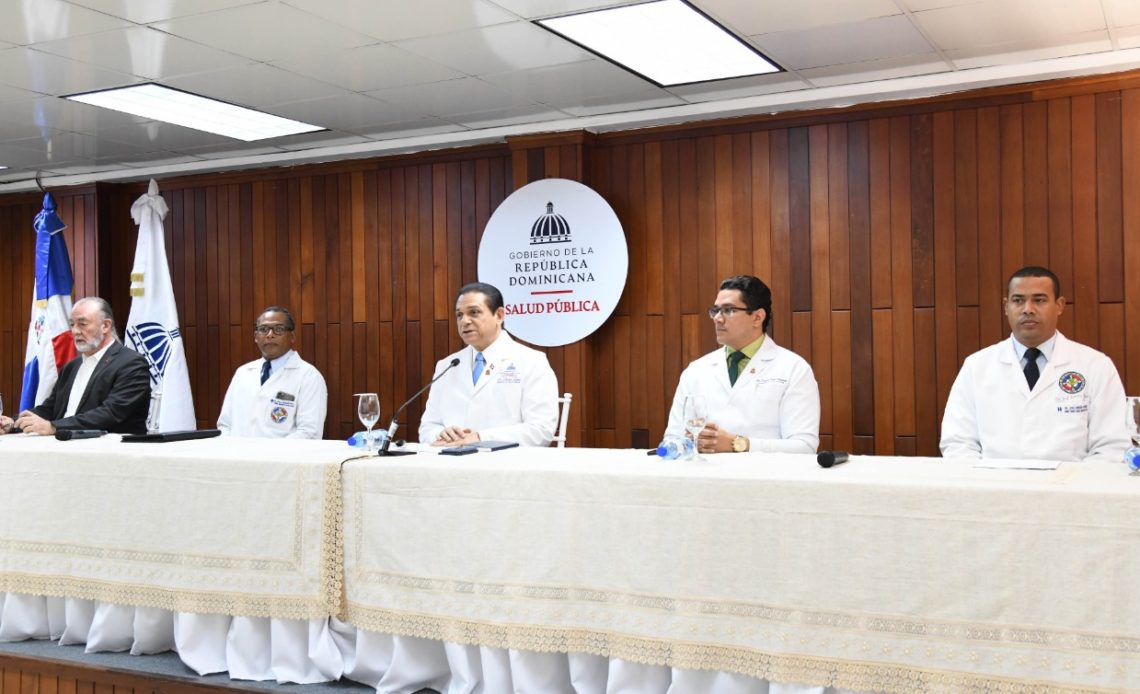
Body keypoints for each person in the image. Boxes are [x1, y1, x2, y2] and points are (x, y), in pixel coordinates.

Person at [940, 266, 1129, 462]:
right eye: (1018, 300)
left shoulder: (1096, 365)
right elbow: (958, 443)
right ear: (1006, 306)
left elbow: (1110, 446)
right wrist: (988, 480)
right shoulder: (977, 366)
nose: (1028, 309)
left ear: (1059, 305)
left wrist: (1074, 481)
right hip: (994, 479)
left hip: (1072, 480)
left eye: (1039, 300)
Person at [665, 275, 820, 454]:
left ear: (757, 317)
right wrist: (689, 443)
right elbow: (672, 439)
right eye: (715, 310)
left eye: (728, 310)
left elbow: (804, 447)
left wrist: (738, 444)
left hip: (765, 472)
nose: (717, 318)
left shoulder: (794, 369)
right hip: (706, 471)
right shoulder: (696, 370)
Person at [419, 282, 558, 447]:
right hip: (450, 458)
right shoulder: (446, 365)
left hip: (506, 461)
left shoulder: (532, 361)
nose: (464, 321)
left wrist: (481, 438)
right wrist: (440, 434)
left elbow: (541, 430)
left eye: (474, 312)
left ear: (499, 315)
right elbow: (428, 427)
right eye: (459, 315)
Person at [1, 297, 150, 435]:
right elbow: (50, 409)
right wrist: (13, 423)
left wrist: (54, 427)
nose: (75, 331)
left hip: (110, 448)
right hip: (64, 444)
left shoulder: (131, 363)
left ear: (105, 326)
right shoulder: (72, 366)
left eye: (82, 324)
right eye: (72, 324)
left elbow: (111, 413)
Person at [217, 306, 327, 439]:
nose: (270, 335)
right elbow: (225, 425)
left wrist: (265, 452)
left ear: (292, 336)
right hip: (236, 452)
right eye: (263, 329)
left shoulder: (309, 376)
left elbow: (309, 433)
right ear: (256, 337)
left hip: (282, 453)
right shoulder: (243, 373)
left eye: (278, 329)